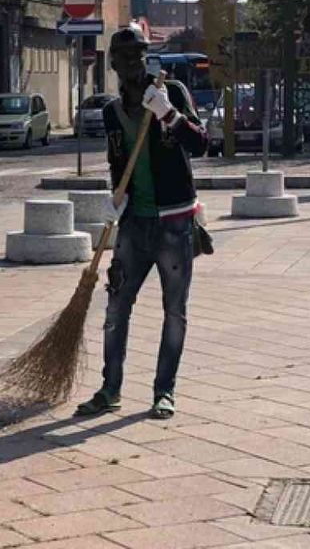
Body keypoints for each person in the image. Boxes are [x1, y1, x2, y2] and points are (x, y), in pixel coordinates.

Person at [76, 25, 208, 421]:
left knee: (174, 311)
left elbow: (201, 144)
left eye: (138, 54)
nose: (132, 62)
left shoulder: (172, 92)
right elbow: (118, 162)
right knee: (116, 307)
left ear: (146, 57)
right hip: (134, 224)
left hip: (175, 223)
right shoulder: (111, 113)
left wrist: (168, 114)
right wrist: (115, 199)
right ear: (113, 64)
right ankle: (110, 389)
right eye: (124, 56)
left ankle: (164, 391)